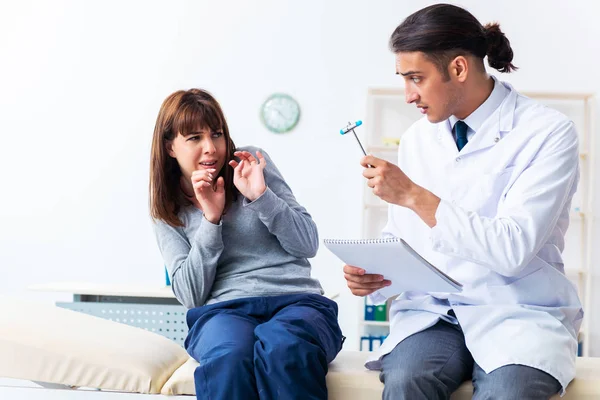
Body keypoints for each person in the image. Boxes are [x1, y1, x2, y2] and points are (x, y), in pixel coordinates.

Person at [343, 4, 582, 399]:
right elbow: (407, 234)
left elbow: (512, 248)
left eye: (416, 78)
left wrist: (414, 195)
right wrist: (377, 277)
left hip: (517, 311)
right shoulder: (420, 137)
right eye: (403, 80)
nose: (408, 96)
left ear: (457, 69)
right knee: (406, 381)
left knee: (509, 391)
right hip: (437, 311)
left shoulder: (548, 132)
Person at [150, 88, 343, 400]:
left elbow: (307, 244)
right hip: (223, 312)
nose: (210, 148)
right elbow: (190, 295)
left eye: (216, 134)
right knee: (230, 357)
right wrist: (211, 220)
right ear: (171, 147)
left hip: (295, 301)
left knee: (285, 347)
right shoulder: (167, 210)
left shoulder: (251, 164)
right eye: (194, 138)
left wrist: (261, 197)